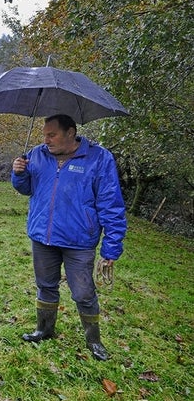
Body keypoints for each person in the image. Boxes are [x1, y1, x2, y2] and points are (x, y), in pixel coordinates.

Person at [12, 114, 127, 360]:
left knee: (83, 293)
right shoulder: (37, 154)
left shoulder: (99, 159)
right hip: (43, 237)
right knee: (45, 286)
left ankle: (94, 341)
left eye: (51, 135)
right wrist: (19, 174)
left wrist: (111, 248)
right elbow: (26, 188)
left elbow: (111, 205)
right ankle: (44, 330)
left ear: (71, 133)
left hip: (79, 242)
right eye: (44, 134)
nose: (46, 140)